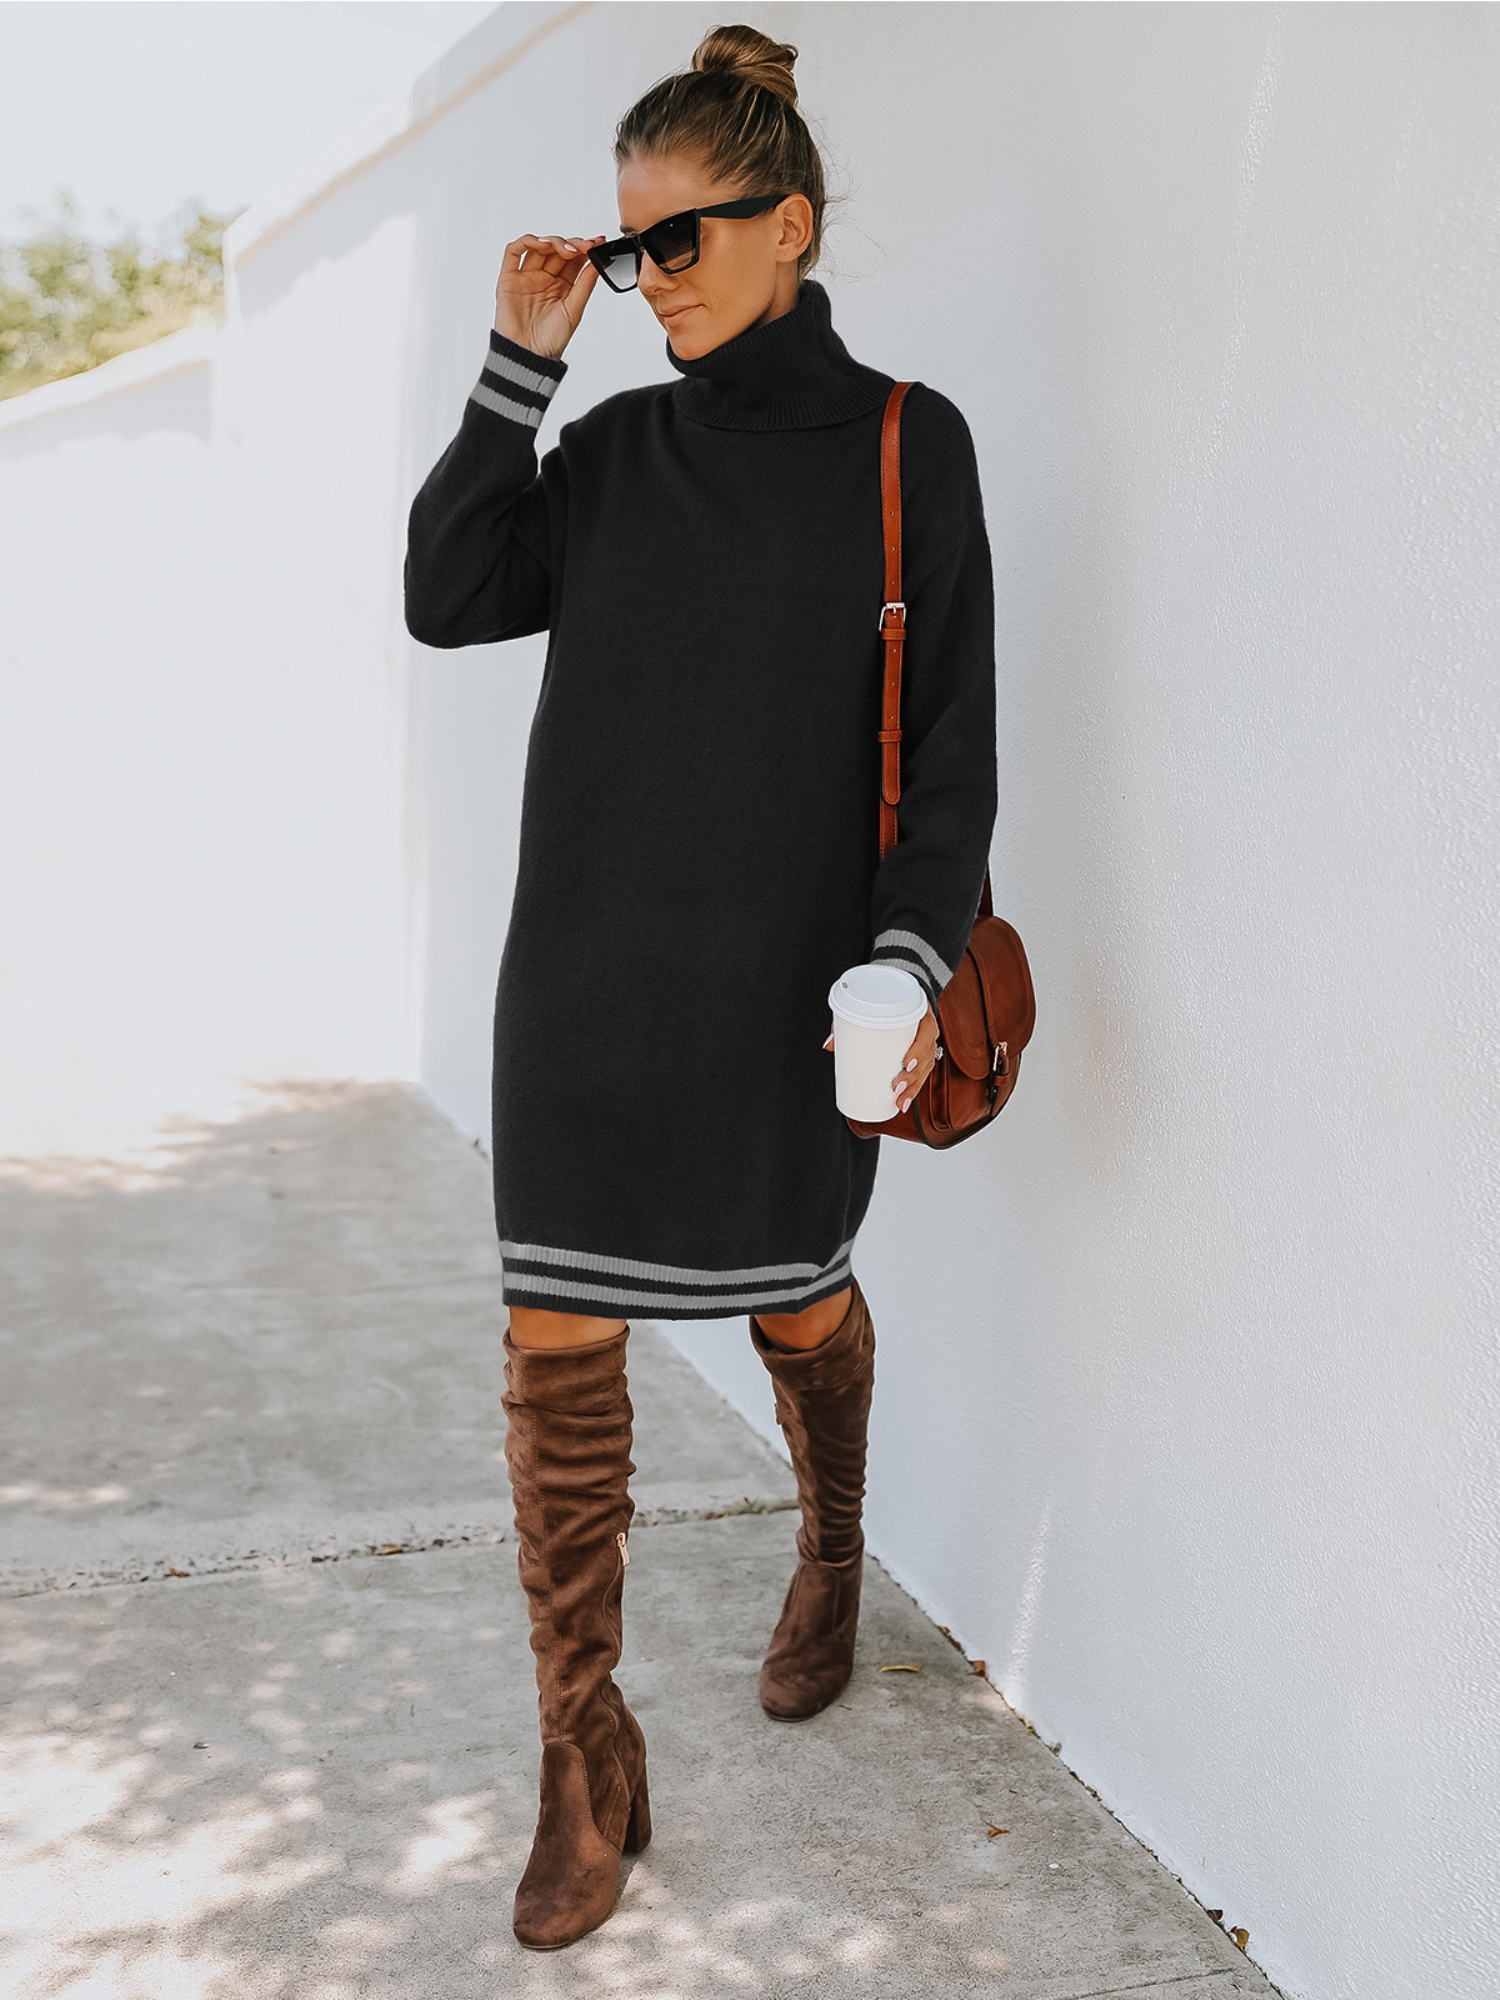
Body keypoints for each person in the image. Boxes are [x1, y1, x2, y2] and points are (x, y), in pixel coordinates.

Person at [403, 22, 997, 1952]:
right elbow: (448, 592)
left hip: (790, 991)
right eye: (626, 244)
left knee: (796, 1299)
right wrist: (520, 362)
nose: (647, 275)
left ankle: (829, 1546)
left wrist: (907, 956)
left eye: (680, 240)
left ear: (789, 227)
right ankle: (582, 1753)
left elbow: (955, 753)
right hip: (581, 984)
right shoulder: (610, 451)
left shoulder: (908, 443)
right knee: (555, 1353)